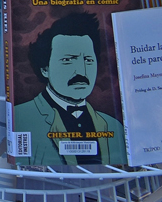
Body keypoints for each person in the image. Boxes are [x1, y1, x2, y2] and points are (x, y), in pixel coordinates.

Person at [13, 12, 125, 165]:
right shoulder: (19, 118)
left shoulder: (113, 127)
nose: (81, 71)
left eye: (88, 60)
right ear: (45, 69)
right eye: (68, 60)